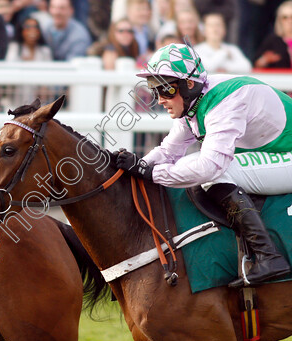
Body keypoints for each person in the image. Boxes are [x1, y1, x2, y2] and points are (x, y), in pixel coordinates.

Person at [116, 43, 292, 287]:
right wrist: (137, 166)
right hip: (275, 153)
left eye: (165, 90)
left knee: (213, 174)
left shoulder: (224, 103)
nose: (159, 100)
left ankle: (268, 256)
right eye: (154, 90)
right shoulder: (195, 100)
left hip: (287, 155)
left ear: (188, 84)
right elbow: (169, 150)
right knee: (194, 166)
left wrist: (153, 173)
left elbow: (210, 167)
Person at [254, 0, 292, 70]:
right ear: (279, 20)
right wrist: (265, 60)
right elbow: (256, 64)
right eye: (285, 17)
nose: (289, 21)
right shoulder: (272, 41)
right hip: (281, 79)